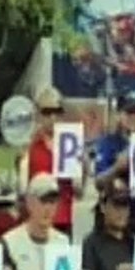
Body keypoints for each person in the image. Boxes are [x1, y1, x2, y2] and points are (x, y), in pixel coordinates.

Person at [94, 93, 135, 236]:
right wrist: (116, 168)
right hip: (115, 214)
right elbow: (98, 182)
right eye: (128, 112)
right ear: (119, 114)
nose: (132, 117)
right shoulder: (108, 142)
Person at [25, 85, 84, 239]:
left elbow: (79, 192)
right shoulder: (30, 146)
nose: (52, 118)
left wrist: (83, 167)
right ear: (38, 115)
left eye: (57, 112)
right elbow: (22, 190)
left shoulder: (71, 145)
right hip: (36, 222)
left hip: (62, 220)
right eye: (47, 112)